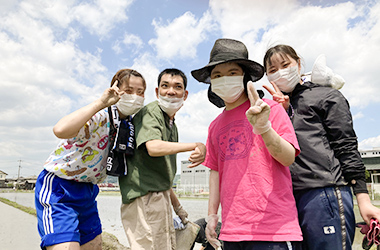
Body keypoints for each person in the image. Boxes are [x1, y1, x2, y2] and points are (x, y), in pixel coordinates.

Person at [262, 44, 380, 250]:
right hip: (288, 199)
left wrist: (363, 200)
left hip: (325, 193)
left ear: (298, 64)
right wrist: (282, 113)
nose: (280, 72)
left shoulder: (326, 96)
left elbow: (347, 147)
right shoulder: (273, 109)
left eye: (285, 64)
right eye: (272, 70)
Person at [191, 38, 302, 249]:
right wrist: (212, 215)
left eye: (232, 73)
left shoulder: (270, 109)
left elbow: (288, 158)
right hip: (232, 232)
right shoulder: (215, 126)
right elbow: (215, 172)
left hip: (273, 230)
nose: (224, 79)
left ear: (245, 77)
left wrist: (264, 128)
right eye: (217, 75)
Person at [34, 69, 146, 250]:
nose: (135, 96)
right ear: (116, 89)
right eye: (129, 90)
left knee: (94, 245)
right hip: (60, 187)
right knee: (66, 246)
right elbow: (60, 130)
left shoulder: (130, 125)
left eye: (140, 92)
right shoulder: (101, 114)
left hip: (88, 190)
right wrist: (101, 102)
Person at [118, 68, 206, 250]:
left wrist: (177, 207)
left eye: (177, 87)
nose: (171, 91)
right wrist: (196, 145)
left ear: (185, 94)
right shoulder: (152, 112)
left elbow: (161, 174)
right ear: (157, 91)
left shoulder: (171, 124)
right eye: (165, 86)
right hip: (144, 197)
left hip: (159, 197)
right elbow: (153, 147)